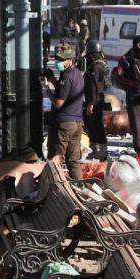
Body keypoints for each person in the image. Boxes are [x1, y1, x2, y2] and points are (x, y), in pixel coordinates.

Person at [47, 43, 85, 179]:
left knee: (56, 157)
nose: (59, 62)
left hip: (64, 124)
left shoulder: (66, 76)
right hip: (77, 123)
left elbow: (58, 103)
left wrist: (47, 91)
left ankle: (54, 186)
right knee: (73, 160)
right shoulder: (77, 74)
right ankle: (78, 186)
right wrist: (52, 80)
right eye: (57, 59)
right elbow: (66, 91)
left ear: (70, 59)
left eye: (62, 59)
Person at [83, 40, 109, 161]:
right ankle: (95, 149)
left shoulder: (95, 66)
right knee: (92, 124)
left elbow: (93, 86)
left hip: (94, 101)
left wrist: (90, 104)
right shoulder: (103, 64)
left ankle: (101, 150)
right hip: (99, 99)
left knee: (95, 125)